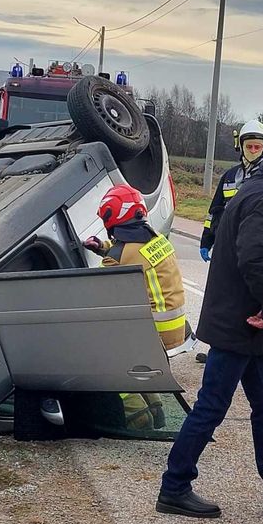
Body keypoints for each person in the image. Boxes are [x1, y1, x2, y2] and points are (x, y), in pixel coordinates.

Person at [157, 119, 263, 518]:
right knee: (212, 406)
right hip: (242, 323)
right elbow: (255, 257)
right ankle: (174, 486)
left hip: (250, 326)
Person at [85, 183, 187, 429]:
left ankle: (137, 417)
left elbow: (100, 293)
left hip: (154, 330)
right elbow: (133, 254)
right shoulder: (156, 239)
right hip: (173, 327)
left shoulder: (119, 257)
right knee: (138, 361)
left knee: (111, 361)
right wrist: (102, 248)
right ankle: (156, 409)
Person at [199, 120, 263, 261]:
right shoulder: (229, 176)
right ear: (240, 146)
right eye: (249, 146)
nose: (253, 151)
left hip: (253, 250)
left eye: (258, 147)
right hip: (226, 245)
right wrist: (206, 241)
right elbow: (214, 212)